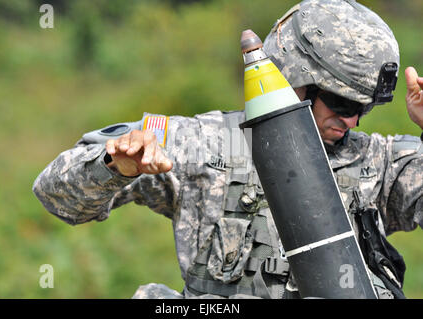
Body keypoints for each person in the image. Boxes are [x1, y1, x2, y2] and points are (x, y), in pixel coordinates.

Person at [33, 0, 422, 299]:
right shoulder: (204, 145)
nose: (353, 122)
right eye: (342, 104)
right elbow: (54, 196)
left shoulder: (378, 164)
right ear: (296, 78)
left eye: (364, 109)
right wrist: (114, 166)